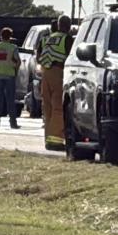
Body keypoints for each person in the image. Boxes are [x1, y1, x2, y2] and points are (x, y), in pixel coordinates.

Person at [37, 15, 72, 151]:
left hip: (45, 74)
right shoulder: (67, 39)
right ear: (68, 26)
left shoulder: (45, 39)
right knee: (58, 106)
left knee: (47, 107)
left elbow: (38, 57)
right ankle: (56, 140)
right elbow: (70, 57)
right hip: (59, 72)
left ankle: (48, 139)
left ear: (58, 25)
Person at [0, 27, 21, 130]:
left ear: (1, 36)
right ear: (10, 36)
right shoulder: (13, 47)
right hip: (10, 75)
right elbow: (18, 62)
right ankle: (13, 123)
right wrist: (16, 71)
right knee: (10, 100)